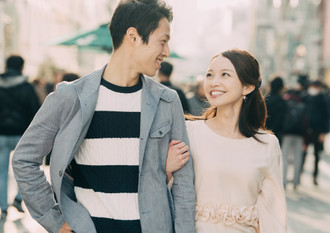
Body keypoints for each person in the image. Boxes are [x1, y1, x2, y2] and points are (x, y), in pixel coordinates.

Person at [12, 1, 195, 233]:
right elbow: (24, 159)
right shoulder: (71, 97)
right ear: (133, 36)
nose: (166, 52)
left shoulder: (167, 101)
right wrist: (54, 220)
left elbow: (184, 187)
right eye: (163, 41)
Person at [165, 49, 287, 232]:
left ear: (248, 87)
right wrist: (166, 169)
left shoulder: (267, 144)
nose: (214, 82)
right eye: (209, 75)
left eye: (225, 75)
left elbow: (274, 214)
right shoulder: (188, 131)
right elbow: (160, 193)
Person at [0, 55, 41, 220]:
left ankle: (3, 208)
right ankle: (18, 198)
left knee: (1, 172)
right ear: (22, 68)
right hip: (22, 135)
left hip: (1, 135)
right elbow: (36, 112)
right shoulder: (26, 87)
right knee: (26, 169)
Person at [303, 80, 330, 185]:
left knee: (316, 155)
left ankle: (315, 176)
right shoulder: (307, 97)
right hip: (306, 130)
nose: (313, 89)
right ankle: (300, 173)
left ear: (319, 88)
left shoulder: (324, 99)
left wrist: (324, 133)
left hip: (318, 131)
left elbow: (327, 117)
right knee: (304, 153)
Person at [281, 87, 308, 190]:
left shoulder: (286, 103)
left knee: (285, 158)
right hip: (300, 136)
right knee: (297, 158)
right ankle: (296, 181)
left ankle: (284, 181)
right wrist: (306, 141)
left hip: (287, 134)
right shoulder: (302, 105)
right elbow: (306, 124)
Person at [265, 76, 287, 145]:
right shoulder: (282, 102)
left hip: (264, 133)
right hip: (277, 135)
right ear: (281, 88)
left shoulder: (265, 100)